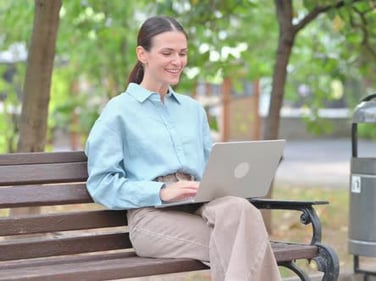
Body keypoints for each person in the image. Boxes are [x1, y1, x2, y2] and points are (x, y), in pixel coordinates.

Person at [85, 16, 282, 281]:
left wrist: (223, 182)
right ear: (142, 54)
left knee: (241, 210)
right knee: (244, 243)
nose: (177, 61)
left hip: (199, 203)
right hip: (152, 217)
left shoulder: (192, 110)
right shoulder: (118, 111)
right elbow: (102, 184)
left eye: (182, 53)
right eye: (167, 53)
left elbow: (207, 169)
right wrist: (162, 191)